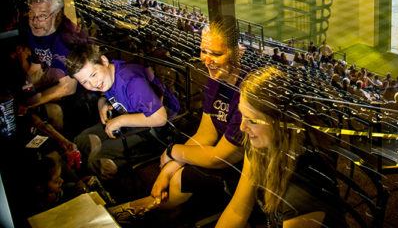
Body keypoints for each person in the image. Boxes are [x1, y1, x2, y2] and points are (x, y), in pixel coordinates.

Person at [108, 16, 246, 220]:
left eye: (216, 54)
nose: (206, 60)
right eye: (203, 51)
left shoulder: (246, 90)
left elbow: (223, 157)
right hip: (218, 154)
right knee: (173, 173)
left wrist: (174, 152)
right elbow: (205, 134)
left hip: (243, 170)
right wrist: (169, 167)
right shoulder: (216, 79)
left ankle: (133, 211)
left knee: (180, 179)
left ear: (239, 52)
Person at [216, 66, 342, 227]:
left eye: (252, 120)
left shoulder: (302, 194)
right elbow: (237, 210)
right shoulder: (259, 146)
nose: (241, 127)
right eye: (242, 115)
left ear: (281, 124)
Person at [66, 44, 180, 180]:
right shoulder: (108, 75)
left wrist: (120, 121)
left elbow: (160, 118)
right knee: (82, 140)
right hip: (131, 120)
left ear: (104, 61)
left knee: (98, 159)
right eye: (85, 81)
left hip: (158, 133)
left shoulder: (131, 81)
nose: (93, 83)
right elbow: (109, 92)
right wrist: (103, 102)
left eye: (93, 75)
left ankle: (109, 188)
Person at [18, 0, 91, 136]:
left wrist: (31, 101)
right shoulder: (38, 31)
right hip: (56, 85)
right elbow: (36, 68)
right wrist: (23, 90)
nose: (35, 20)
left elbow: (67, 88)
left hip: (80, 96)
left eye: (42, 15)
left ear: (57, 15)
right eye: (32, 14)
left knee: (50, 113)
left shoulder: (66, 39)